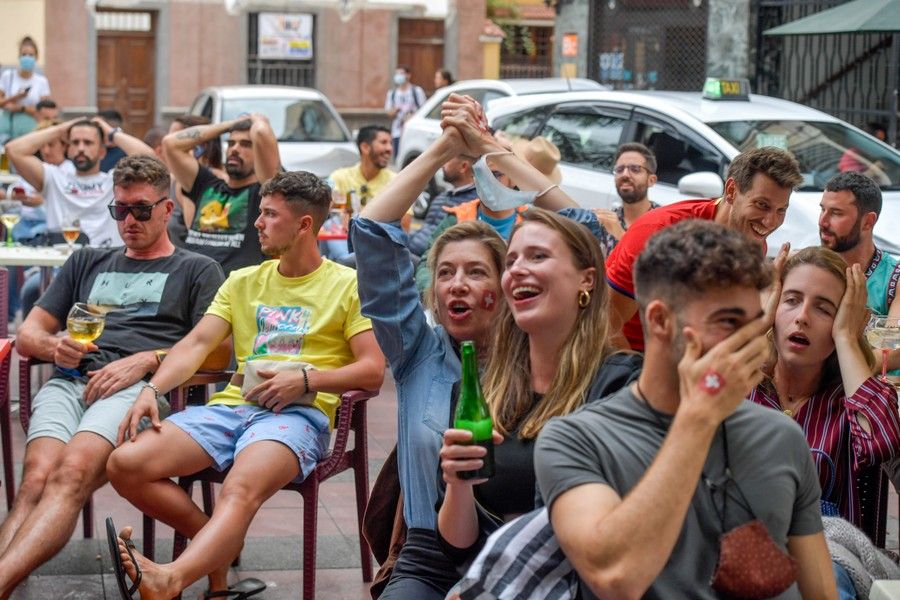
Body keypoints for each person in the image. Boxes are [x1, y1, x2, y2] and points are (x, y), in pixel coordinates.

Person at [351, 94, 604, 599]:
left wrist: (490, 148)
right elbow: (372, 232)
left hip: (530, 553)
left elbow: (585, 229)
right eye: (445, 274)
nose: (456, 285)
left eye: (475, 272)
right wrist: (446, 148)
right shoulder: (418, 352)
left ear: (507, 287)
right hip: (431, 559)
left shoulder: (541, 351)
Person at [106, 170, 385, 599]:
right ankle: (217, 543)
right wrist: (151, 391)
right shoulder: (242, 281)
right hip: (232, 408)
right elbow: (197, 344)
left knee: (238, 486)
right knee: (124, 463)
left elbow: (372, 370)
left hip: (297, 418)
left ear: (304, 225)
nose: (257, 222)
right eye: (260, 212)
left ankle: (172, 578)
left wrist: (307, 378)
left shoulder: (347, 284)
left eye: (269, 214)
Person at [535, 220, 837, 599]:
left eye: (754, 324)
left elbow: (820, 592)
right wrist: (698, 417)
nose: (751, 344)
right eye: (728, 322)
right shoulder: (576, 440)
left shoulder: (780, 435)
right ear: (660, 321)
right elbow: (616, 577)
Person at [0, 155, 225, 597]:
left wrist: (148, 359)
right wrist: (54, 346)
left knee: (71, 473)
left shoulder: (196, 268)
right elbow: (28, 333)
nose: (129, 220)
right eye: (119, 210)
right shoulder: (87, 259)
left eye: (141, 209)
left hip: (139, 391)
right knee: (36, 479)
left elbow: (217, 349)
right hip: (70, 382)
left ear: (167, 208)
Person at [748, 247, 900, 536]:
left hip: (830, 564)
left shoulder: (853, 400)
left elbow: (880, 443)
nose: (802, 317)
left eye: (823, 308)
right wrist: (756, 325)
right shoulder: (743, 387)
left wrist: (846, 338)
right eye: (791, 300)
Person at [606, 146, 802, 351]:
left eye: (781, 210)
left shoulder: (752, 242)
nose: (770, 222)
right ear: (732, 191)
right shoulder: (657, 233)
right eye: (761, 205)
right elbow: (606, 326)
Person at [6, 116, 154, 247]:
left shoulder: (115, 180)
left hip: (103, 264)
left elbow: (150, 160)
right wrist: (61, 129)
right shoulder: (53, 177)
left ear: (102, 152)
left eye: (88, 143)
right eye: (75, 142)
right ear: (68, 149)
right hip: (61, 265)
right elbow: (13, 150)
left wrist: (111, 132)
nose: (81, 148)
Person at [161, 113, 280, 274]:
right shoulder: (205, 184)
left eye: (245, 144)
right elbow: (170, 143)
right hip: (189, 282)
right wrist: (229, 124)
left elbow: (261, 133)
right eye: (231, 143)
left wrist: (257, 119)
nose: (234, 149)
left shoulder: (265, 191)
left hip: (232, 289)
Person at [818, 171, 900, 373]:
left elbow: (893, 352)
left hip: (872, 398)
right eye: (822, 210)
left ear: (868, 222)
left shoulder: (894, 278)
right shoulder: (810, 269)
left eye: (836, 213)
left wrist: (830, 375)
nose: (823, 222)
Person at [323, 125, 397, 263]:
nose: (389, 149)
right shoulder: (339, 176)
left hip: (378, 243)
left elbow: (404, 225)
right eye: (383, 142)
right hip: (343, 241)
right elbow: (322, 207)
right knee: (329, 225)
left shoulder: (396, 181)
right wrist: (341, 213)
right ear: (365, 147)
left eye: (391, 143)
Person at [593, 142, 660, 257]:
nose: (625, 175)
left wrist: (621, 235)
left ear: (651, 180)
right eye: (619, 169)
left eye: (635, 169)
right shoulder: (607, 221)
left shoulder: (665, 223)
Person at [406, 154, 478, 258]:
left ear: (463, 167)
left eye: (447, 160)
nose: (442, 165)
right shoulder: (442, 196)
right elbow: (425, 229)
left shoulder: (473, 204)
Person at [0, 36, 51, 142]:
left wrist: (20, 108)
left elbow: (44, 111)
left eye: (31, 55)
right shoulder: (8, 76)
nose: (27, 57)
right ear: (19, 56)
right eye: (24, 54)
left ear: (36, 57)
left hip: (31, 132)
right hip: (7, 132)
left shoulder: (41, 81)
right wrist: (15, 97)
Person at [385, 65, 426, 158]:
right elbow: (388, 113)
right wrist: (395, 110)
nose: (398, 76)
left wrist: (412, 117)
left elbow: (424, 110)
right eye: (397, 74)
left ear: (408, 75)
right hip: (397, 132)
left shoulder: (416, 91)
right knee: (398, 157)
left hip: (413, 131)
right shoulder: (392, 93)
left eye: (401, 73)